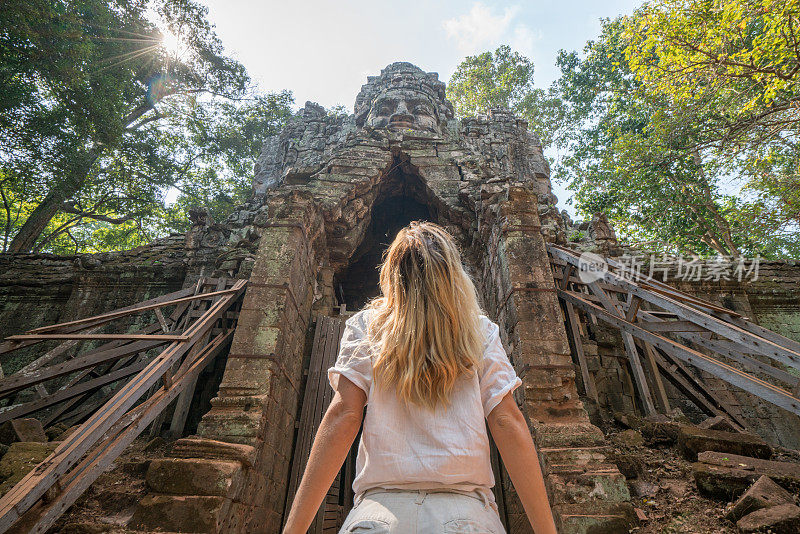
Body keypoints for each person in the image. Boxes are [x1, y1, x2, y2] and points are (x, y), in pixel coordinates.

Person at [283, 221, 558, 534]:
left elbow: (343, 415)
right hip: (466, 513)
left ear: (391, 274)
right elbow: (508, 422)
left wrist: (293, 530)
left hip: (377, 514)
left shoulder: (366, 325)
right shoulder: (480, 331)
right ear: (453, 272)